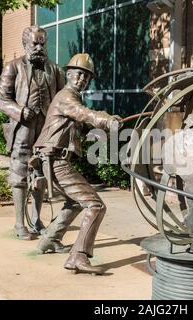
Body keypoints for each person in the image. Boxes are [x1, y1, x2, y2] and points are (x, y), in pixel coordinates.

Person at [34, 53, 122, 275]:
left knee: (73, 203)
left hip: (55, 159)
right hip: (55, 161)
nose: (82, 79)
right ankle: (78, 256)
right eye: (79, 74)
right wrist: (105, 119)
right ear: (69, 74)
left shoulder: (71, 99)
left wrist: (105, 125)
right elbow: (83, 114)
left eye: (87, 77)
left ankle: (50, 240)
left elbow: (80, 123)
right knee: (95, 205)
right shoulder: (66, 97)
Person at [0, 26, 65, 240]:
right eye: (34, 43)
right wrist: (19, 111)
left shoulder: (55, 70)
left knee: (42, 174)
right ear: (25, 44)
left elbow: (63, 100)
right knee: (19, 174)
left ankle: (36, 220)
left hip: (46, 130)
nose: (39, 47)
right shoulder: (13, 68)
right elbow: (1, 100)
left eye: (42, 43)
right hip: (23, 129)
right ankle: (19, 223)